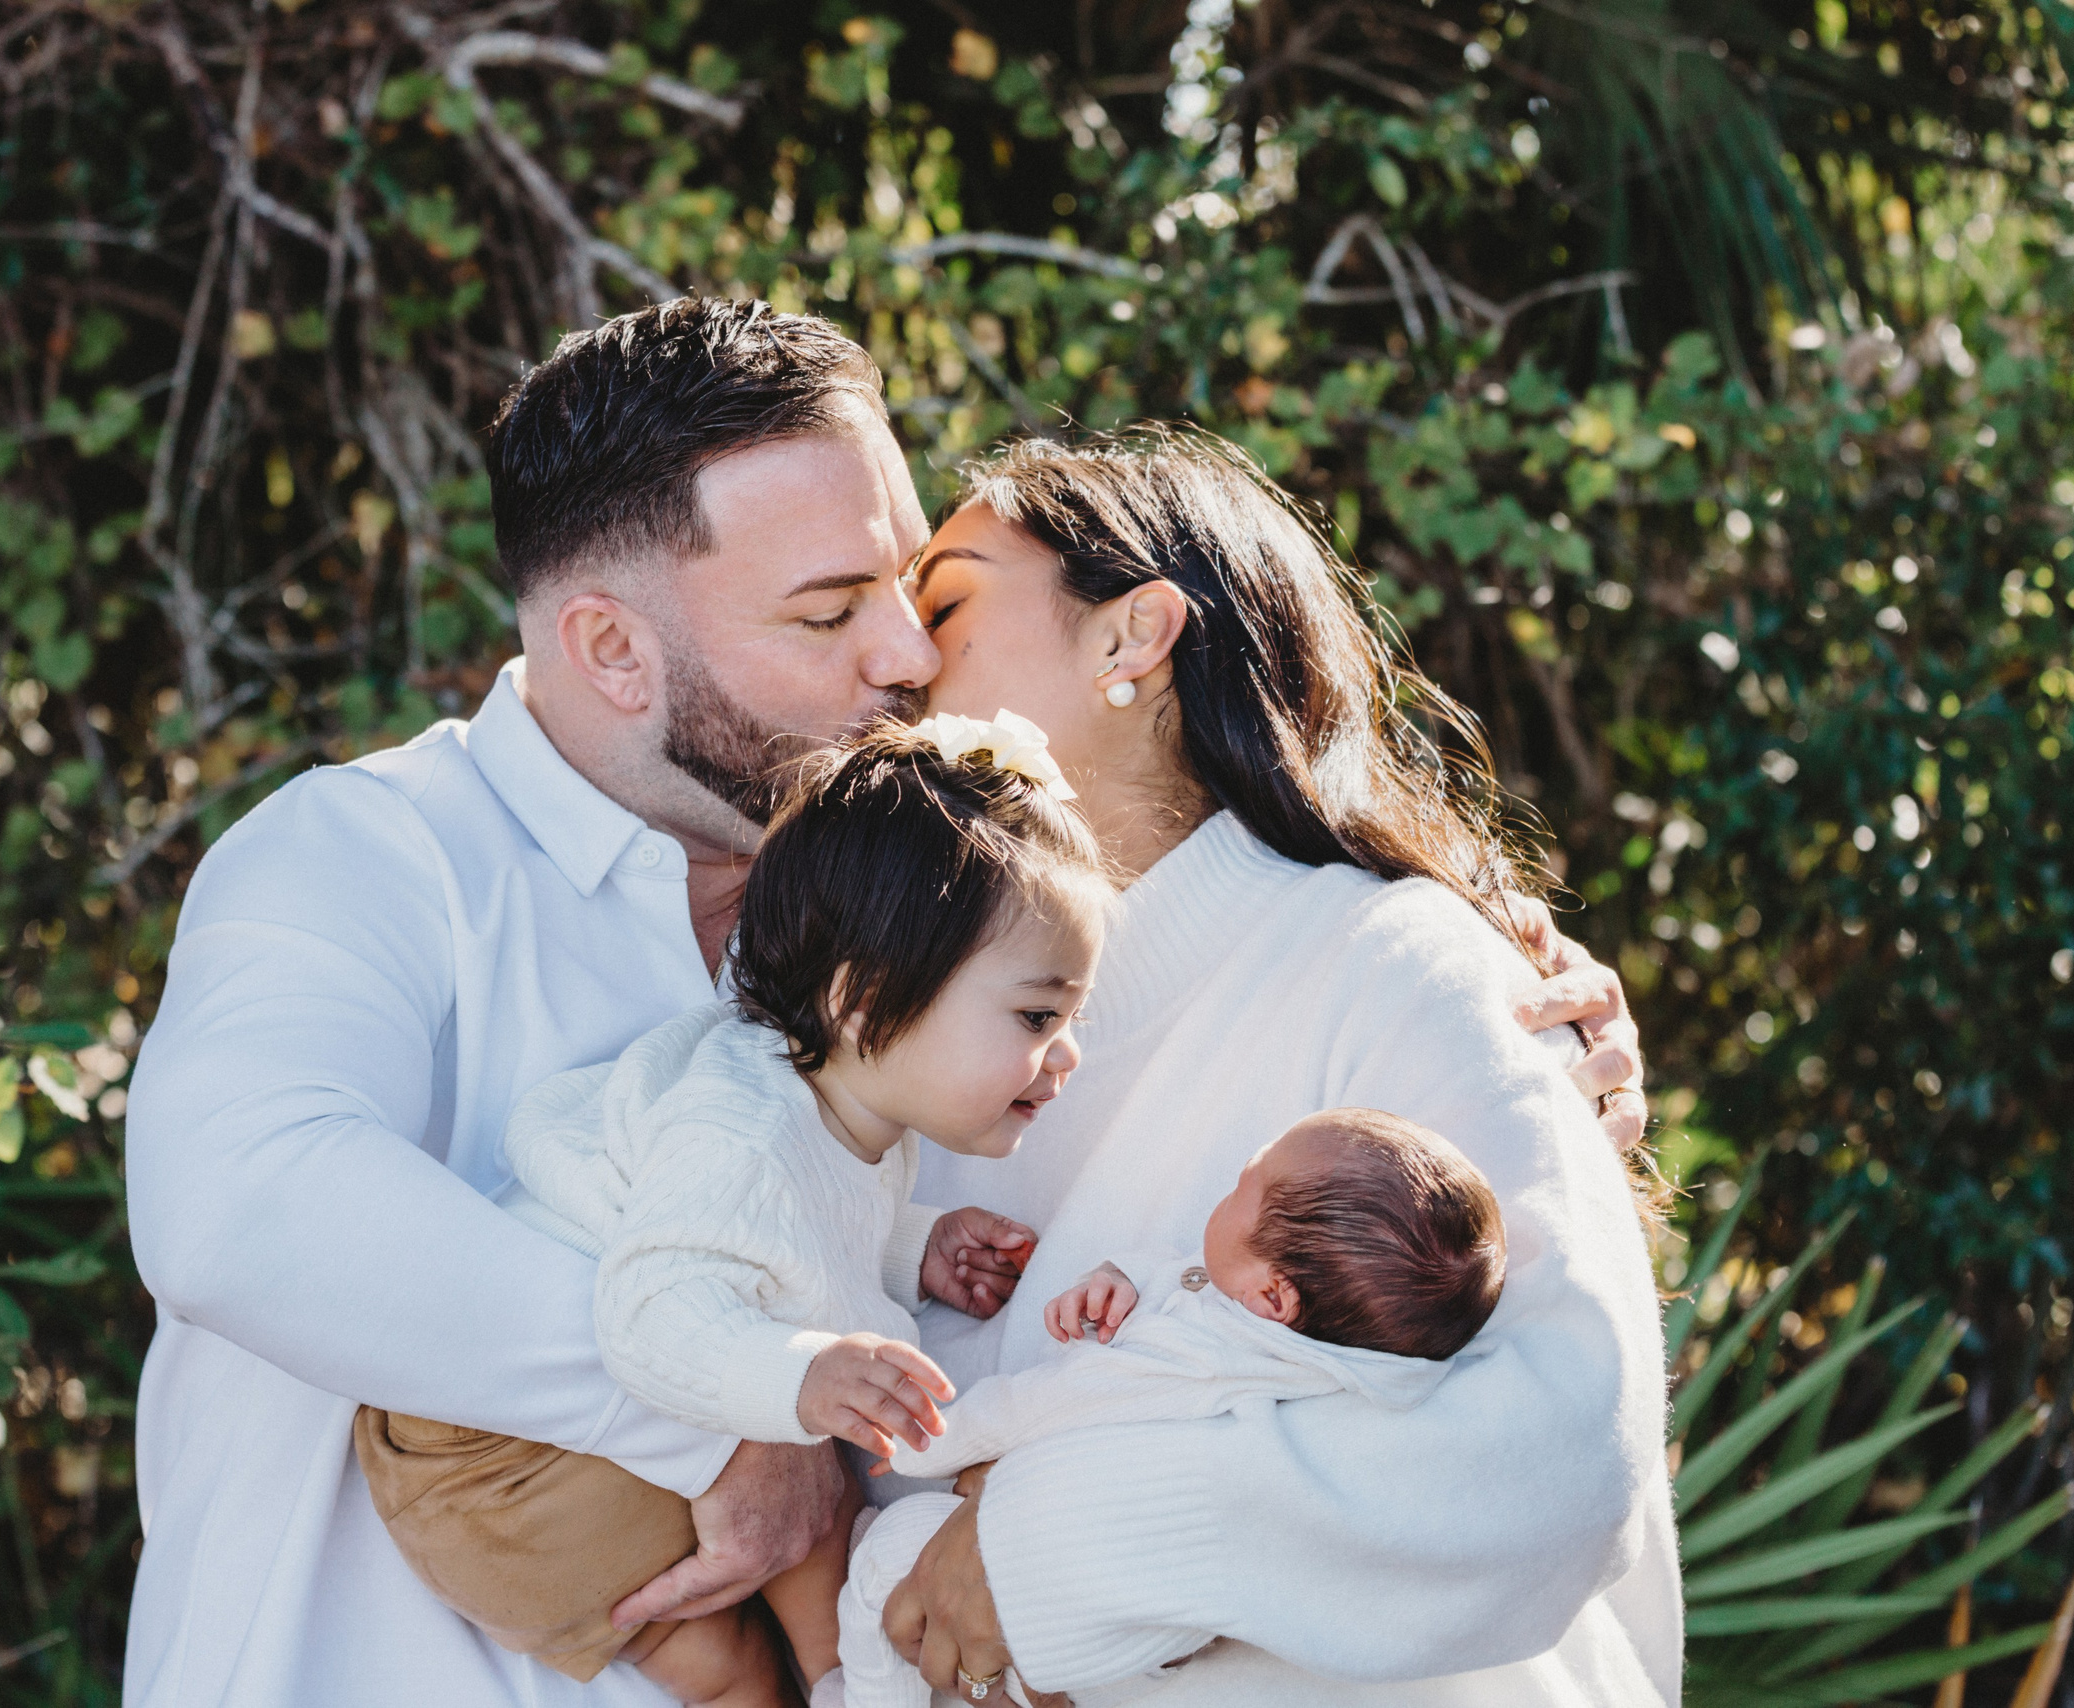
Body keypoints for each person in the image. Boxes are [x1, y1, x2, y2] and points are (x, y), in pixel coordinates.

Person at [120, 298, 1642, 1708]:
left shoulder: (942, 959)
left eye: (915, 591)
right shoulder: (367, 855)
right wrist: (728, 1412)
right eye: (831, 609)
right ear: (612, 650)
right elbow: (243, 1201)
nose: (907, 656)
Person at [880, 428, 1678, 1707]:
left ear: (1130, 637)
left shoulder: (1403, 963)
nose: (898, 656)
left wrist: (1073, 1532)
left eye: (945, 604)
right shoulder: (881, 1017)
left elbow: (1564, 1446)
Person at [350, 722, 1105, 1707]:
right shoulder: (747, 1132)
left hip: (502, 1448)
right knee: (806, 1523)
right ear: (864, 998)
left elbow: (794, 1228)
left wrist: (912, 1246)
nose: (1068, 1054)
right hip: (497, 1461)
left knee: (745, 1647)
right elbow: (653, 1309)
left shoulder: (837, 1105)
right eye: (1039, 1017)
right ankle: (849, 1678)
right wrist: (799, 1376)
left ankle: (837, 1673)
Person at [831, 1109, 1508, 1708]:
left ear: (1274, 1298)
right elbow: (1191, 1280)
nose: (1229, 1187)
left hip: (1087, 1622)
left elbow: (1043, 1406)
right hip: (1148, 1619)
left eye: (1243, 1187)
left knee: (883, 1558)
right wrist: (1121, 1279)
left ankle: (859, 1698)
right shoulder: (1306, 1342)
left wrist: (922, 1440)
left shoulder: (1191, 1362)